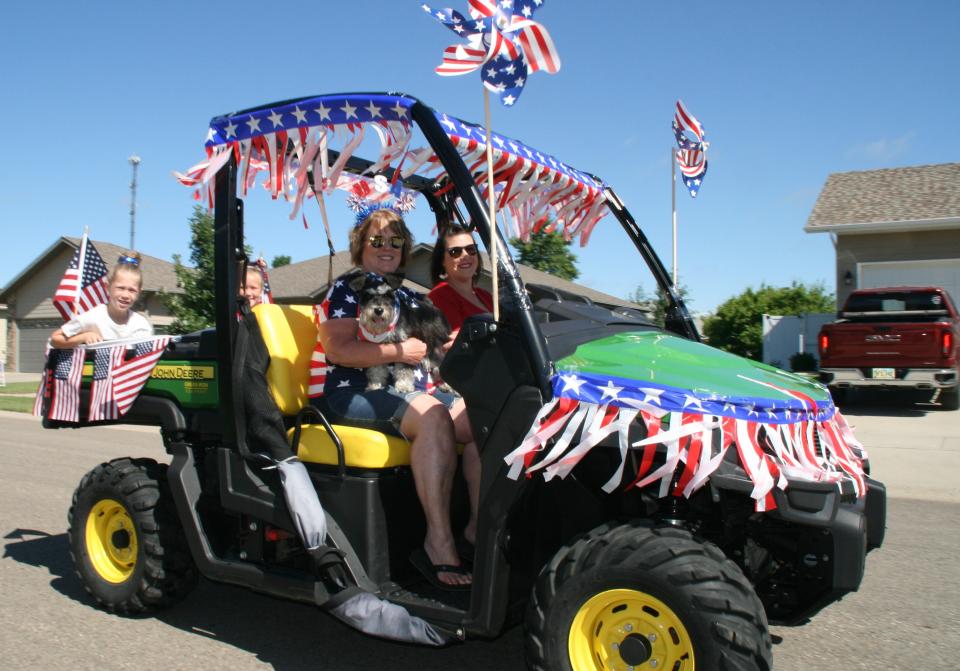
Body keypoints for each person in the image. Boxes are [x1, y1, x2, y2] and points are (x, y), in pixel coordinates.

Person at [311, 208, 476, 589]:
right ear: (361, 245)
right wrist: (399, 352)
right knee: (434, 414)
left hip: (408, 391)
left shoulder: (407, 294)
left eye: (395, 241)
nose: (387, 248)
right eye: (377, 241)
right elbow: (338, 350)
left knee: (483, 416)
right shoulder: (347, 289)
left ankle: (477, 529)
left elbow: (432, 349)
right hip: (352, 392)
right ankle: (439, 541)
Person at [426, 223, 492, 559]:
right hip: (453, 388)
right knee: (492, 426)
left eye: (470, 249)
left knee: (491, 436)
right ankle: (478, 527)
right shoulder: (438, 297)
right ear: (443, 263)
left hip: (486, 387)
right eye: (455, 252)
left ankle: (483, 526)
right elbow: (444, 353)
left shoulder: (486, 297)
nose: (465, 256)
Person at [51, 252, 153, 348]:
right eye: (120, 288)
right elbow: (55, 339)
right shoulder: (93, 317)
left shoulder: (141, 324)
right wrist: (83, 337)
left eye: (132, 290)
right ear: (107, 287)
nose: (125, 295)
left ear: (139, 292)